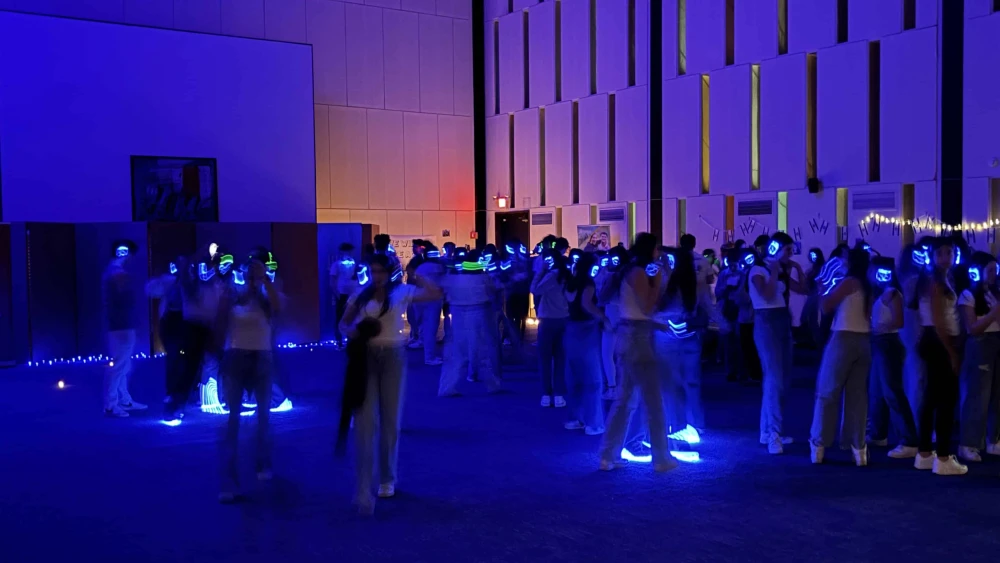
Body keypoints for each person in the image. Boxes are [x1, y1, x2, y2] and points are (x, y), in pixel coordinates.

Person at [339, 254, 442, 514]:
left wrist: (414, 274)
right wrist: (353, 332)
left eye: (381, 271)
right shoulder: (361, 295)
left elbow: (434, 293)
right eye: (373, 271)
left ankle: (387, 477)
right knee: (365, 421)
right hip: (366, 356)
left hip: (393, 355)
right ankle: (363, 485)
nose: (377, 276)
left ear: (390, 272)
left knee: (390, 420)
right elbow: (343, 322)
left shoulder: (401, 292)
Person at [598, 233, 676, 473]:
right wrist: (659, 279)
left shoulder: (631, 271)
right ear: (650, 249)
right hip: (638, 339)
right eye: (656, 249)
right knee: (652, 400)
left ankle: (608, 454)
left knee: (626, 400)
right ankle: (661, 457)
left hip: (630, 335)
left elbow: (637, 310)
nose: (659, 253)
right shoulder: (639, 273)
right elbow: (648, 306)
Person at [216, 257, 281, 503]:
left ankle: (262, 461)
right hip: (235, 356)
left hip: (262, 357)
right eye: (250, 271)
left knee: (263, 415)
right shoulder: (232, 294)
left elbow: (277, 308)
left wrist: (264, 282)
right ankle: (229, 481)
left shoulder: (267, 295)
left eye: (258, 272)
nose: (253, 276)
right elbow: (220, 321)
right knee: (233, 418)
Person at [809, 245, 872, 466]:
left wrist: (821, 286)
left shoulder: (849, 282)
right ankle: (858, 448)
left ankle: (819, 444)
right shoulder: (869, 284)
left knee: (827, 392)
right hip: (865, 341)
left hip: (843, 339)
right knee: (858, 397)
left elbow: (827, 305)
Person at [912, 237, 967, 475]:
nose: (947, 257)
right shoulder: (934, 281)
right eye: (942, 253)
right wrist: (951, 351)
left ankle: (925, 453)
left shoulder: (940, 278)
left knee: (932, 397)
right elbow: (938, 319)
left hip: (933, 340)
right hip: (938, 341)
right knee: (946, 399)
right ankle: (942, 457)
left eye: (951, 252)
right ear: (933, 256)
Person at [749, 232, 802, 454]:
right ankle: (773, 434)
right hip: (766, 322)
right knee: (774, 380)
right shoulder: (757, 270)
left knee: (781, 380)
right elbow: (768, 295)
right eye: (787, 250)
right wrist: (773, 270)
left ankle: (767, 431)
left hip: (782, 322)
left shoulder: (780, 270)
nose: (790, 254)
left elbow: (804, 289)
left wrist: (796, 269)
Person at [656, 248, 710, 445]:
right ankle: (691, 423)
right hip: (685, 334)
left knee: (675, 382)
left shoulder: (671, 282)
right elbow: (707, 308)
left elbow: (657, 306)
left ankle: (682, 424)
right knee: (688, 381)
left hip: (671, 334)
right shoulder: (690, 281)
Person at [868, 256, 919, 459]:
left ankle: (909, 440)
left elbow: (899, 320)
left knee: (892, 391)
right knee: (877, 391)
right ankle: (878, 434)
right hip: (880, 343)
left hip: (888, 343)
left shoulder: (893, 293)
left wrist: (879, 327)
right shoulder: (881, 293)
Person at [956, 252, 1000, 462]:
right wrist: (993, 314)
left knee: (997, 395)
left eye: (995, 270)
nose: (994, 275)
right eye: (990, 270)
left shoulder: (996, 292)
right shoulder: (968, 295)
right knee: (978, 396)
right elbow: (972, 328)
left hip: (997, 342)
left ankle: (994, 439)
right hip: (980, 345)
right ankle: (969, 443)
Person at [437, 250, 501, 395]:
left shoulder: (453, 279)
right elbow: (494, 291)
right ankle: (492, 383)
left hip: (458, 314)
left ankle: (446, 387)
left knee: (455, 352)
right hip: (480, 312)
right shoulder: (484, 278)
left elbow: (441, 288)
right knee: (483, 348)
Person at [562, 252, 607, 435]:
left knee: (574, 378)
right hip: (587, 330)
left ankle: (575, 418)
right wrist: (603, 317)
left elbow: (571, 304)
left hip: (571, 329)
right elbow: (587, 304)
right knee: (593, 379)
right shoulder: (587, 283)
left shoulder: (570, 282)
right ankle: (594, 423)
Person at [103, 240, 145, 417]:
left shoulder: (112, 271)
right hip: (121, 326)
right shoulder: (116, 272)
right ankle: (111, 404)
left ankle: (124, 400)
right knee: (120, 365)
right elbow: (125, 298)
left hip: (121, 325)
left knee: (124, 365)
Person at [531, 248, 570, 407]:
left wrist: (539, 272)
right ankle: (559, 394)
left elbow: (534, 289)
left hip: (547, 319)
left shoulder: (550, 276)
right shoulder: (567, 275)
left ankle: (547, 394)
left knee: (545, 359)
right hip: (564, 319)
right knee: (561, 358)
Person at [330, 243, 359, 348]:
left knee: (352, 317)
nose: (350, 253)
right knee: (340, 317)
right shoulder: (336, 264)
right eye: (347, 251)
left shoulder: (354, 263)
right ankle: (339, 341)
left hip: (353, 294)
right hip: (341, 294)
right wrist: (337, 294)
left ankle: (350, 340)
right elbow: (332, 281)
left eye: (350, 251)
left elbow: (356, 278)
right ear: (342, 252)